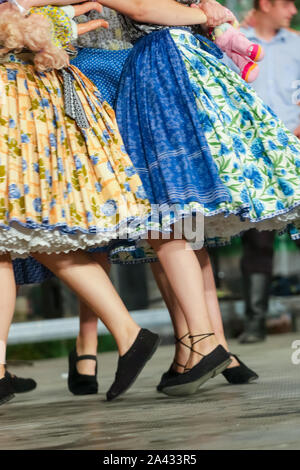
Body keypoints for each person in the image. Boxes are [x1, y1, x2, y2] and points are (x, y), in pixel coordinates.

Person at [112, 0, 300, 397]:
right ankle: (202, 346)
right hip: (186, 61)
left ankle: (202, 343)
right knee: (183, 221)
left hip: (162, 71)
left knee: (167, 218)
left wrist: (208, 14)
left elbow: (142, 8)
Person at [0, 0, 168, 406]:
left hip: (19, 96)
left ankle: (125, 332)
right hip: (23, 91)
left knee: (28, 229)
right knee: (14, 237)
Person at [237, 0, 300, 344]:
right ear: (265, 4)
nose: (292, 10)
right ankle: (255, 321)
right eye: (287, 3)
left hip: (295, 144)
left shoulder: (296, 43)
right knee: (258, 235)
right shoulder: (235, 39)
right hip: (255, 150)